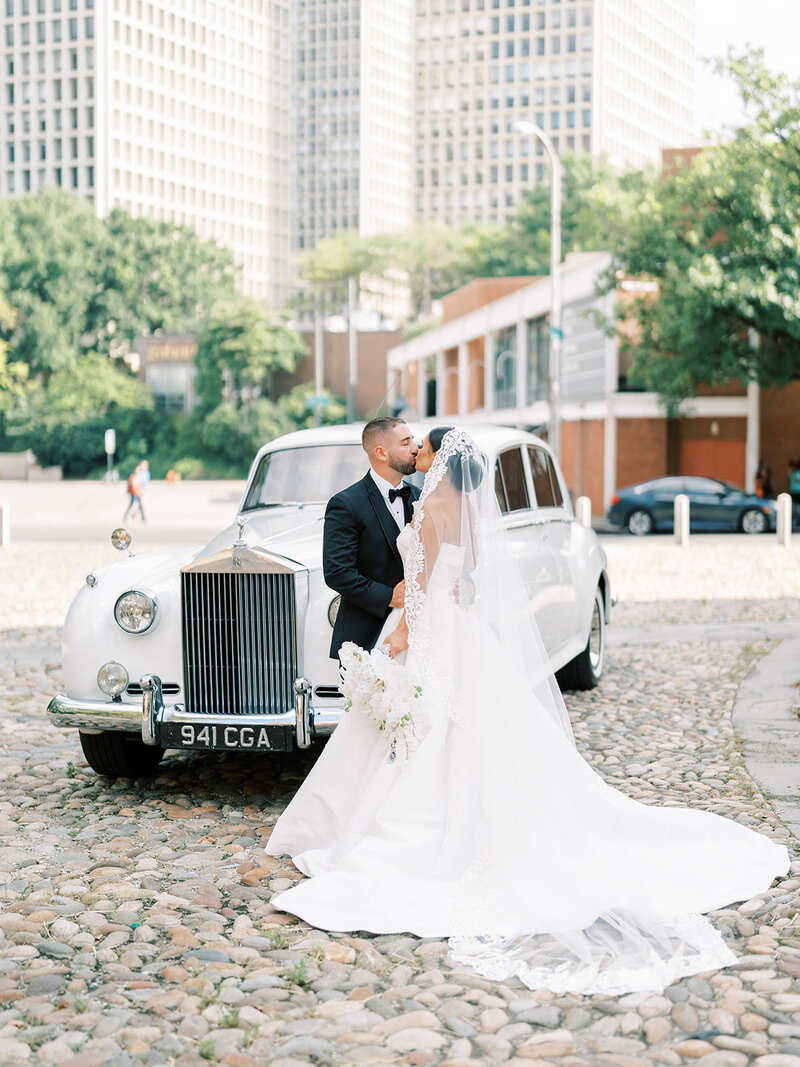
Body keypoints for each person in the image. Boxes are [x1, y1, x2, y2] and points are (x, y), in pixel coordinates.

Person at [268, 427, 789, 996]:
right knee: (454, 729)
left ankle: (408, 827)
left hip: (427, 632)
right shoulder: (462, 509)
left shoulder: (430, 511)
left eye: (424, 446)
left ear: (440, 461)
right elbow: (464, 581)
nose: (416, 450)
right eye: (407, 442)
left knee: (429, 728)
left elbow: (418, 593)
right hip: (459, 633)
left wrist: (392, 647)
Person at [322, 416, 420, 660]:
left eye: (413, 441)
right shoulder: (346, 504)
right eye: (406, 442)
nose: (415, 449)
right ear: (381, 453)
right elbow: (337, 572)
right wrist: (389, 596)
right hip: (365, 638)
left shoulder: (421, 497)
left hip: (418, 638)